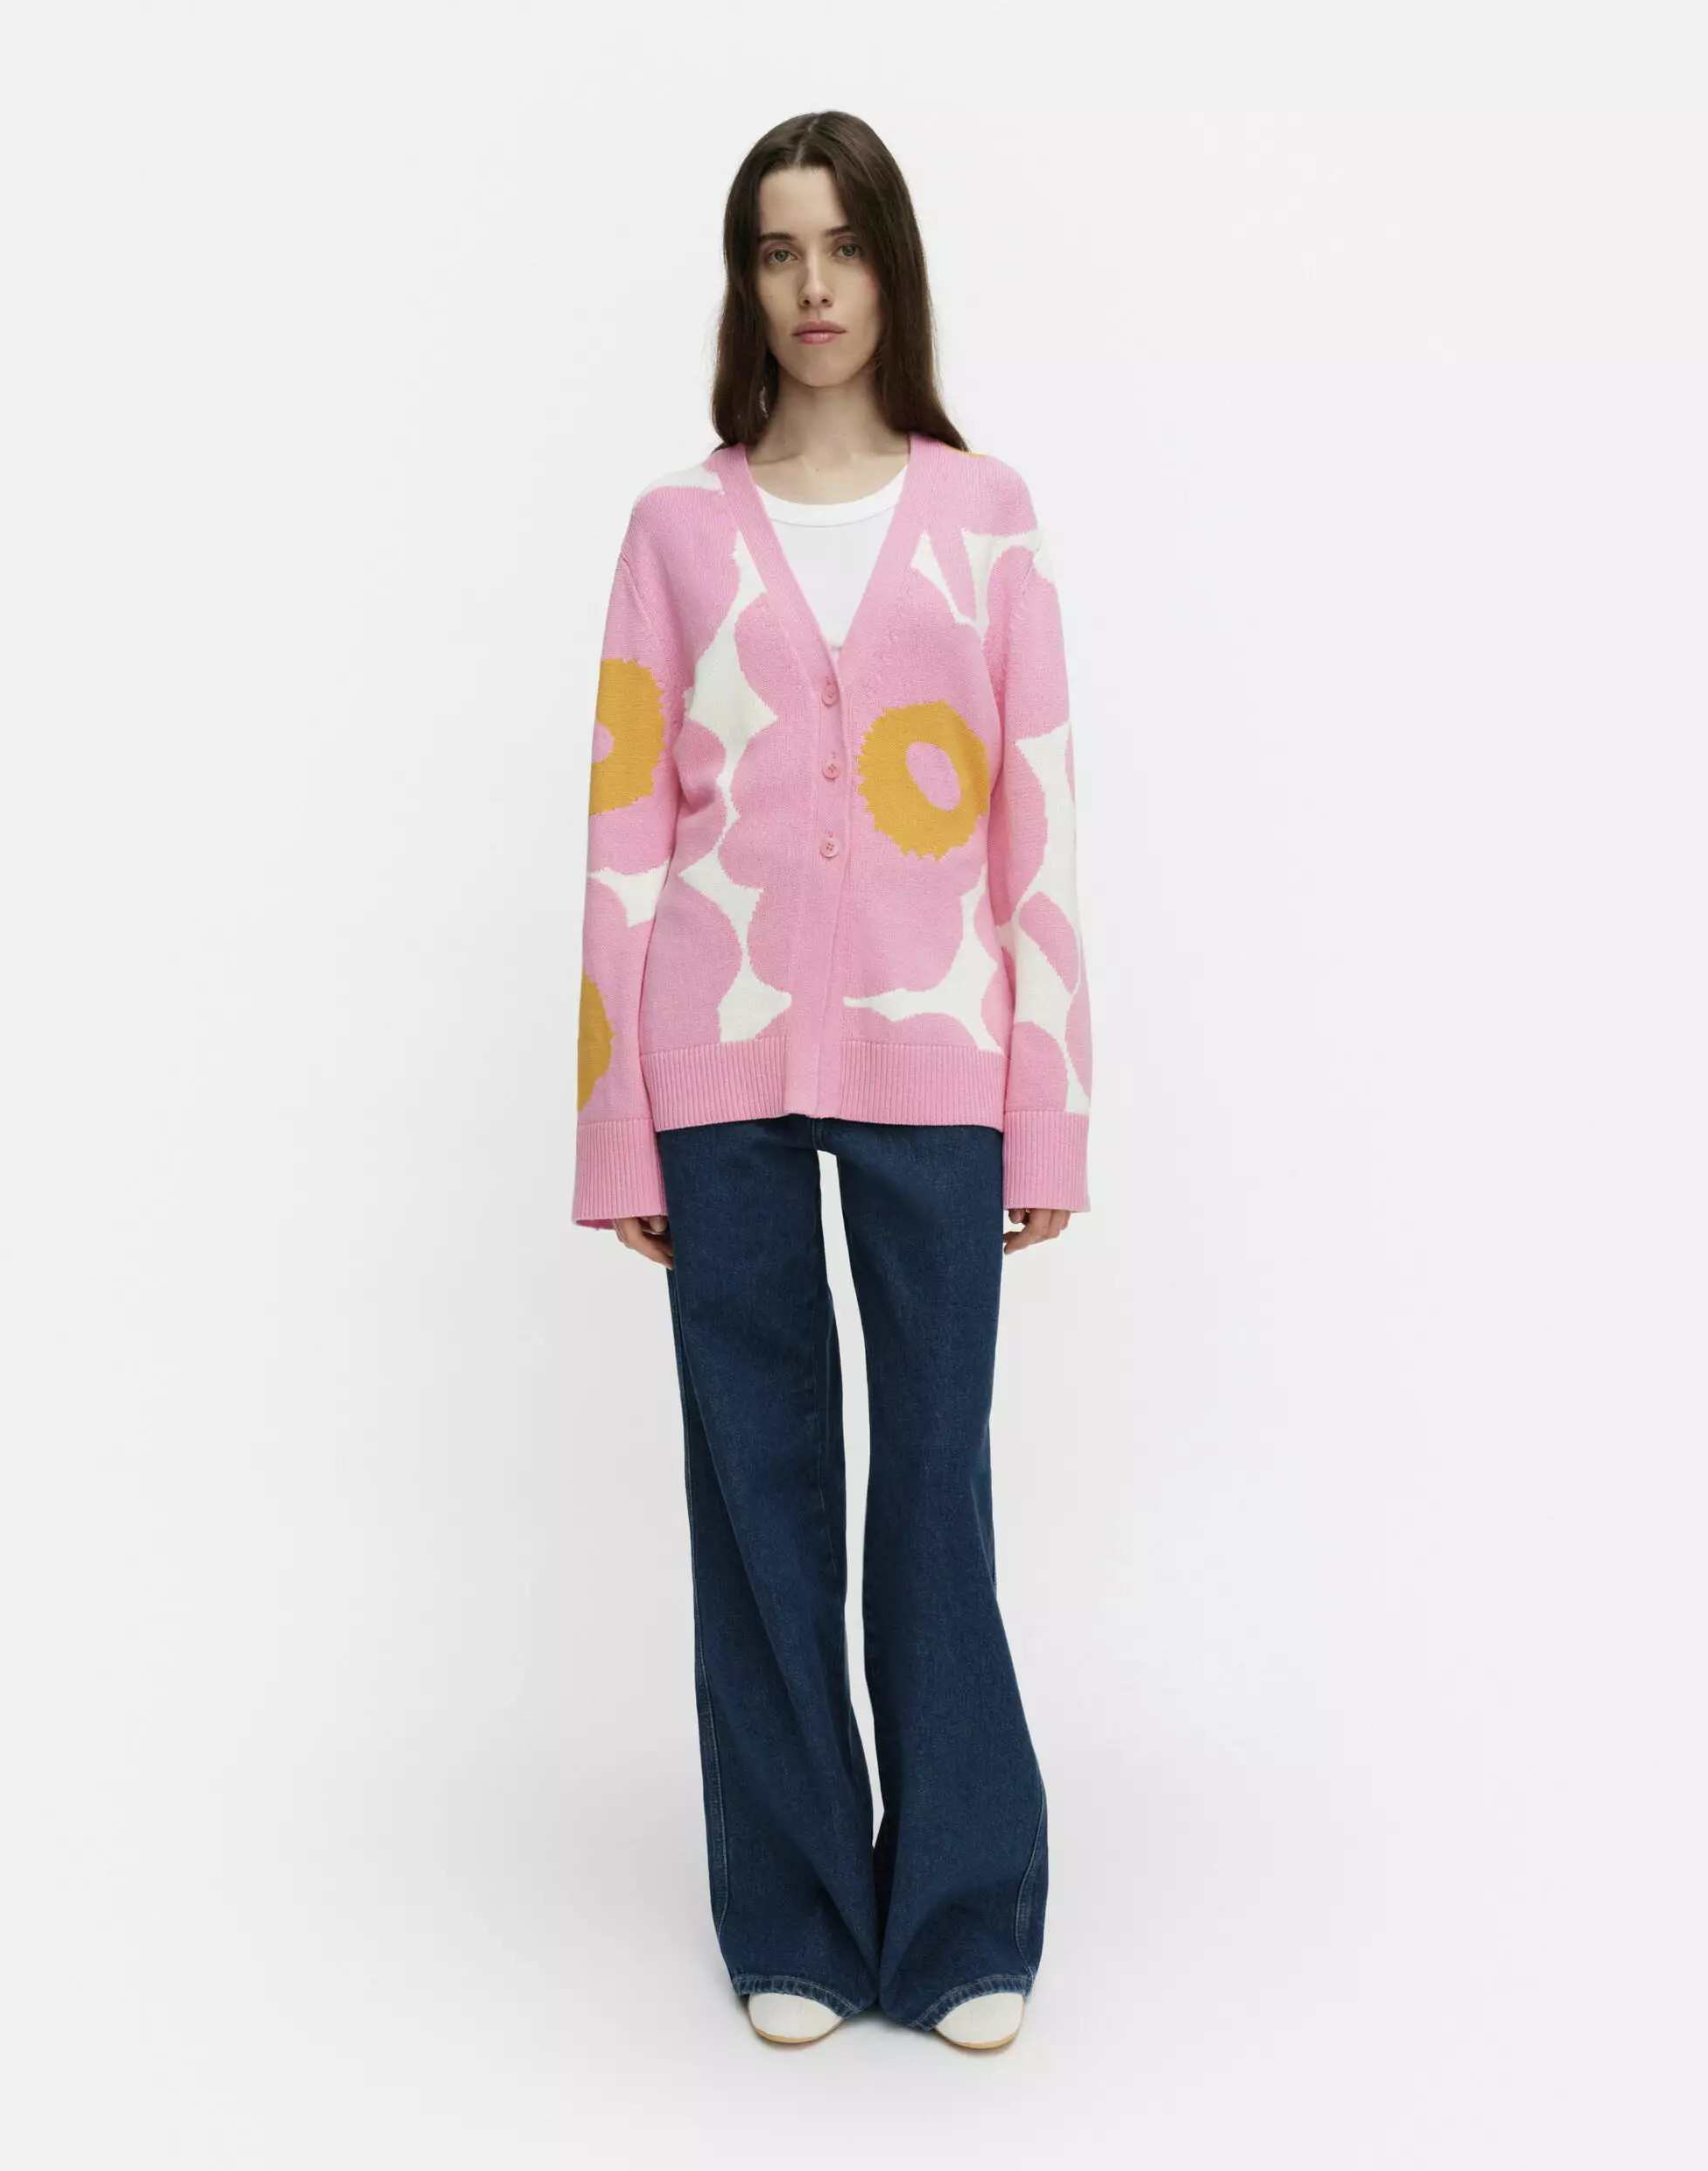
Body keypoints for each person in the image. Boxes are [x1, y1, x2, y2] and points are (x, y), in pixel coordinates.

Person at [572, 110, 1093, 2053]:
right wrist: (616, 1120)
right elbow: (624, 823)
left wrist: (1049, 1104)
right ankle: (791, 1912)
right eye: (778, 250)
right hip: (709, 1064)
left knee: (930, 1484)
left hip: (939, 1054)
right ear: (746, 282)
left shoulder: (987, 515)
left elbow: (1035, 821)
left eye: (843, 246)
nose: (811, 287)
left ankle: (959, 1916)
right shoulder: (673, 530)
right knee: (758, 1492)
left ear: (892, 269)